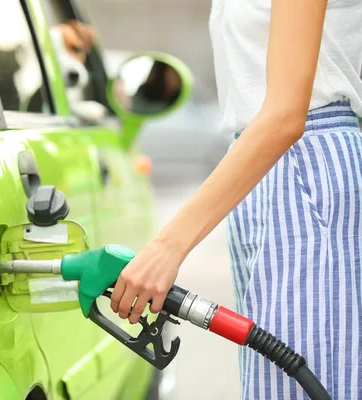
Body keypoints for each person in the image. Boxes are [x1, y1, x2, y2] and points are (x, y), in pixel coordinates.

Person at [109, 1, 362, 399]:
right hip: (260, 163)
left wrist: (168, 245)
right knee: (275, 382)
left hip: (301, 159)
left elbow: (285, 115)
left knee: (304, 383)